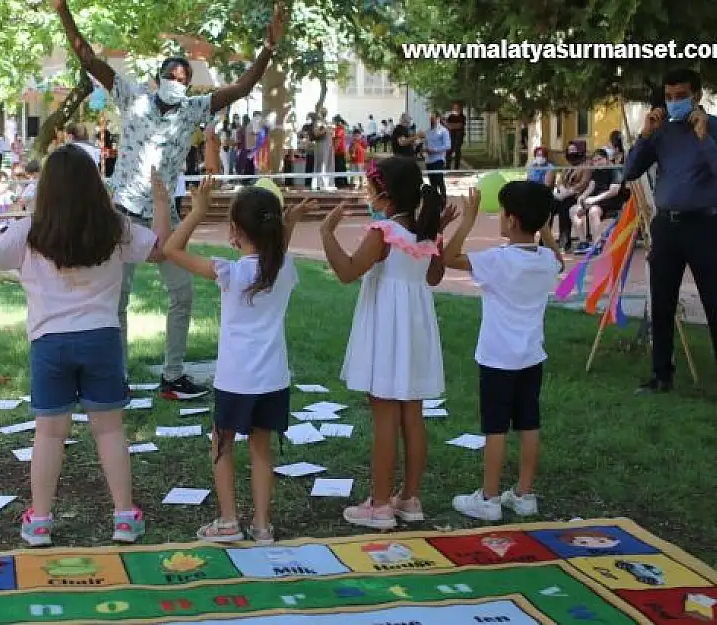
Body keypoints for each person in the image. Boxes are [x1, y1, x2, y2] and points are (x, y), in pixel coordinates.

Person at [54, 0, 287, 399]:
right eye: (171, 74)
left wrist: (268, 46)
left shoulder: (194, 108)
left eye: (183, 76)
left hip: (165, 220)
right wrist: (63, 11)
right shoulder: (131, 98)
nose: (177, 80)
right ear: (158, 77)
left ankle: (172, 375)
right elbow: (88, 57)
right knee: (117, 299)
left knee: (182, 292)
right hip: (122, 215)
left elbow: (243, 87)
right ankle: (116, 377)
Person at [0, 148, 173, 546]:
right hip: (102, 339)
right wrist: (162, 203)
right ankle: (125, 517)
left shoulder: (29, 230)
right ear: (95, 185)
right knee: (109, 430)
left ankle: (40, 521)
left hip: (49, 343)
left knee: (48, 435)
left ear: (46, 189)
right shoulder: (114, 227)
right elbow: (160, 249)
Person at [164, 180, 309, 544]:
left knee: (221, 444)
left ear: (235, 230)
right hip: (274, 378)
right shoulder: (285, 268)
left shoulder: (230, 271)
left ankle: (229, 520)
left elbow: (171, 248)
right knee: (261, 448)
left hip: (235, 379)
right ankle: (262, 526)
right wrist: (288, 226)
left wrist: (197, 212)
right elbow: (273, 256)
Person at [319, 156, 447, 529]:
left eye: (371, 187)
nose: (367, 193)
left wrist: (327, 234)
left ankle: (378, 505)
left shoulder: (383, 232)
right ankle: (409, 498)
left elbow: (346, 272)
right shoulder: (427, 234)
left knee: (385, 418)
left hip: (389, 333)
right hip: (416, 332)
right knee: (413, 415)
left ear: (386, 195)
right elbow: (435, 277)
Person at [443, 182, 561, 521]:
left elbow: (448, 257)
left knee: (495, 428)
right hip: (531, 357)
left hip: (497, 359)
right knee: (529, 424)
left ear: (511, 219)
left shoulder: (497, 260)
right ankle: (524, 494)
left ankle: (490, 498)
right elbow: (557, 259)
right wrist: (542, 227)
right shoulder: (546, 262)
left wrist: (467, 221)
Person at [624, 68, 717, 407]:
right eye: (669, 97)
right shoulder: (662, 132)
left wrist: (704, 138)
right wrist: (644, 135)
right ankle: (661, 375)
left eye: (680, 96)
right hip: (667, 227)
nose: (674, 103)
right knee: (662, 301)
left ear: (696, 95)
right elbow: (629, 172)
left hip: (706, 225)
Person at [571, 148, 624, 252]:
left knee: (593, 211)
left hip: (610, 201)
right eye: (594, 161)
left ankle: (597, 244)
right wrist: (583, 196)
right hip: (595, 201)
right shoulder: (597, 172)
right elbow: (591, 186)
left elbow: (614, 191)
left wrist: (594, 199)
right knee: (573, 210)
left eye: (599, 159)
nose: (597, 162)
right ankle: (583, 242)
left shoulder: (615, 171)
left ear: (607, 159)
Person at [551, 141, 593, 251]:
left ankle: (564, 242)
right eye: (569, 150)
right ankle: (544, 240)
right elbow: (560, 180)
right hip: (563, 194)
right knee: (547, 206)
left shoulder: (587, 165)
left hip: (577, 196)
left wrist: (569, 192)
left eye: (574, 150)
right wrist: (561, 189)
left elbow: (584, 183)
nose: (571, 153)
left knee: (564, 206)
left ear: (580, 151)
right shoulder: (568, 165)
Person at [423, 111, 451, 200]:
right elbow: (425, 144)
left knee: (439, 180)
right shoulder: (428, 131)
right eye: (430, 118)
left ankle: (443, 199)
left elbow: (447, 146)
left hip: (438, 159)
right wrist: (423, 150)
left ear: (438, 118)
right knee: (432, 183)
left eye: (433, 118)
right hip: (429, 160)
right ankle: (434, 201)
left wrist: (434, 150)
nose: (432, 120)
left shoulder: (443, 131)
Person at [311, 108, 333, 191]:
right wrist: (324, 129)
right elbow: (316, 133)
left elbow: (330, 133)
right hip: (321, 144)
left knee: (328, 163)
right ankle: (319, 183)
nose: (324, 114)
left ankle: (327, 183)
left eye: (325, 112)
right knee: (321, 164)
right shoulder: (318, 122)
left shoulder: (326, 122)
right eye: (322, 112)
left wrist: (331, 130)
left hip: (328, 144)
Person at [446, 101, 467, 169]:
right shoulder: (450, 117)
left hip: (459, 134)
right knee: (450, 149)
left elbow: (460, 126)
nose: (456, 109)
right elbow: (448, 125)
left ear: (460, 109)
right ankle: (447, 166)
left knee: (457, 149)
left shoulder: (462, 117)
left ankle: (456, 167)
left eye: (457, 108)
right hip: (452, 134)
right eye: (454, 108)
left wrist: (453, 126)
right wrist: (453, 126)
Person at [333, 115, 348, 188]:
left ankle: (340, 183)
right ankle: (343, 182)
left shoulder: (340, 129)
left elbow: (337, 141)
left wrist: (333, 151)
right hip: (340, 151)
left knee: (339, 167)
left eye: (334, 121)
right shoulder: (340, 129)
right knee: (341, 167)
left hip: (339, 152)